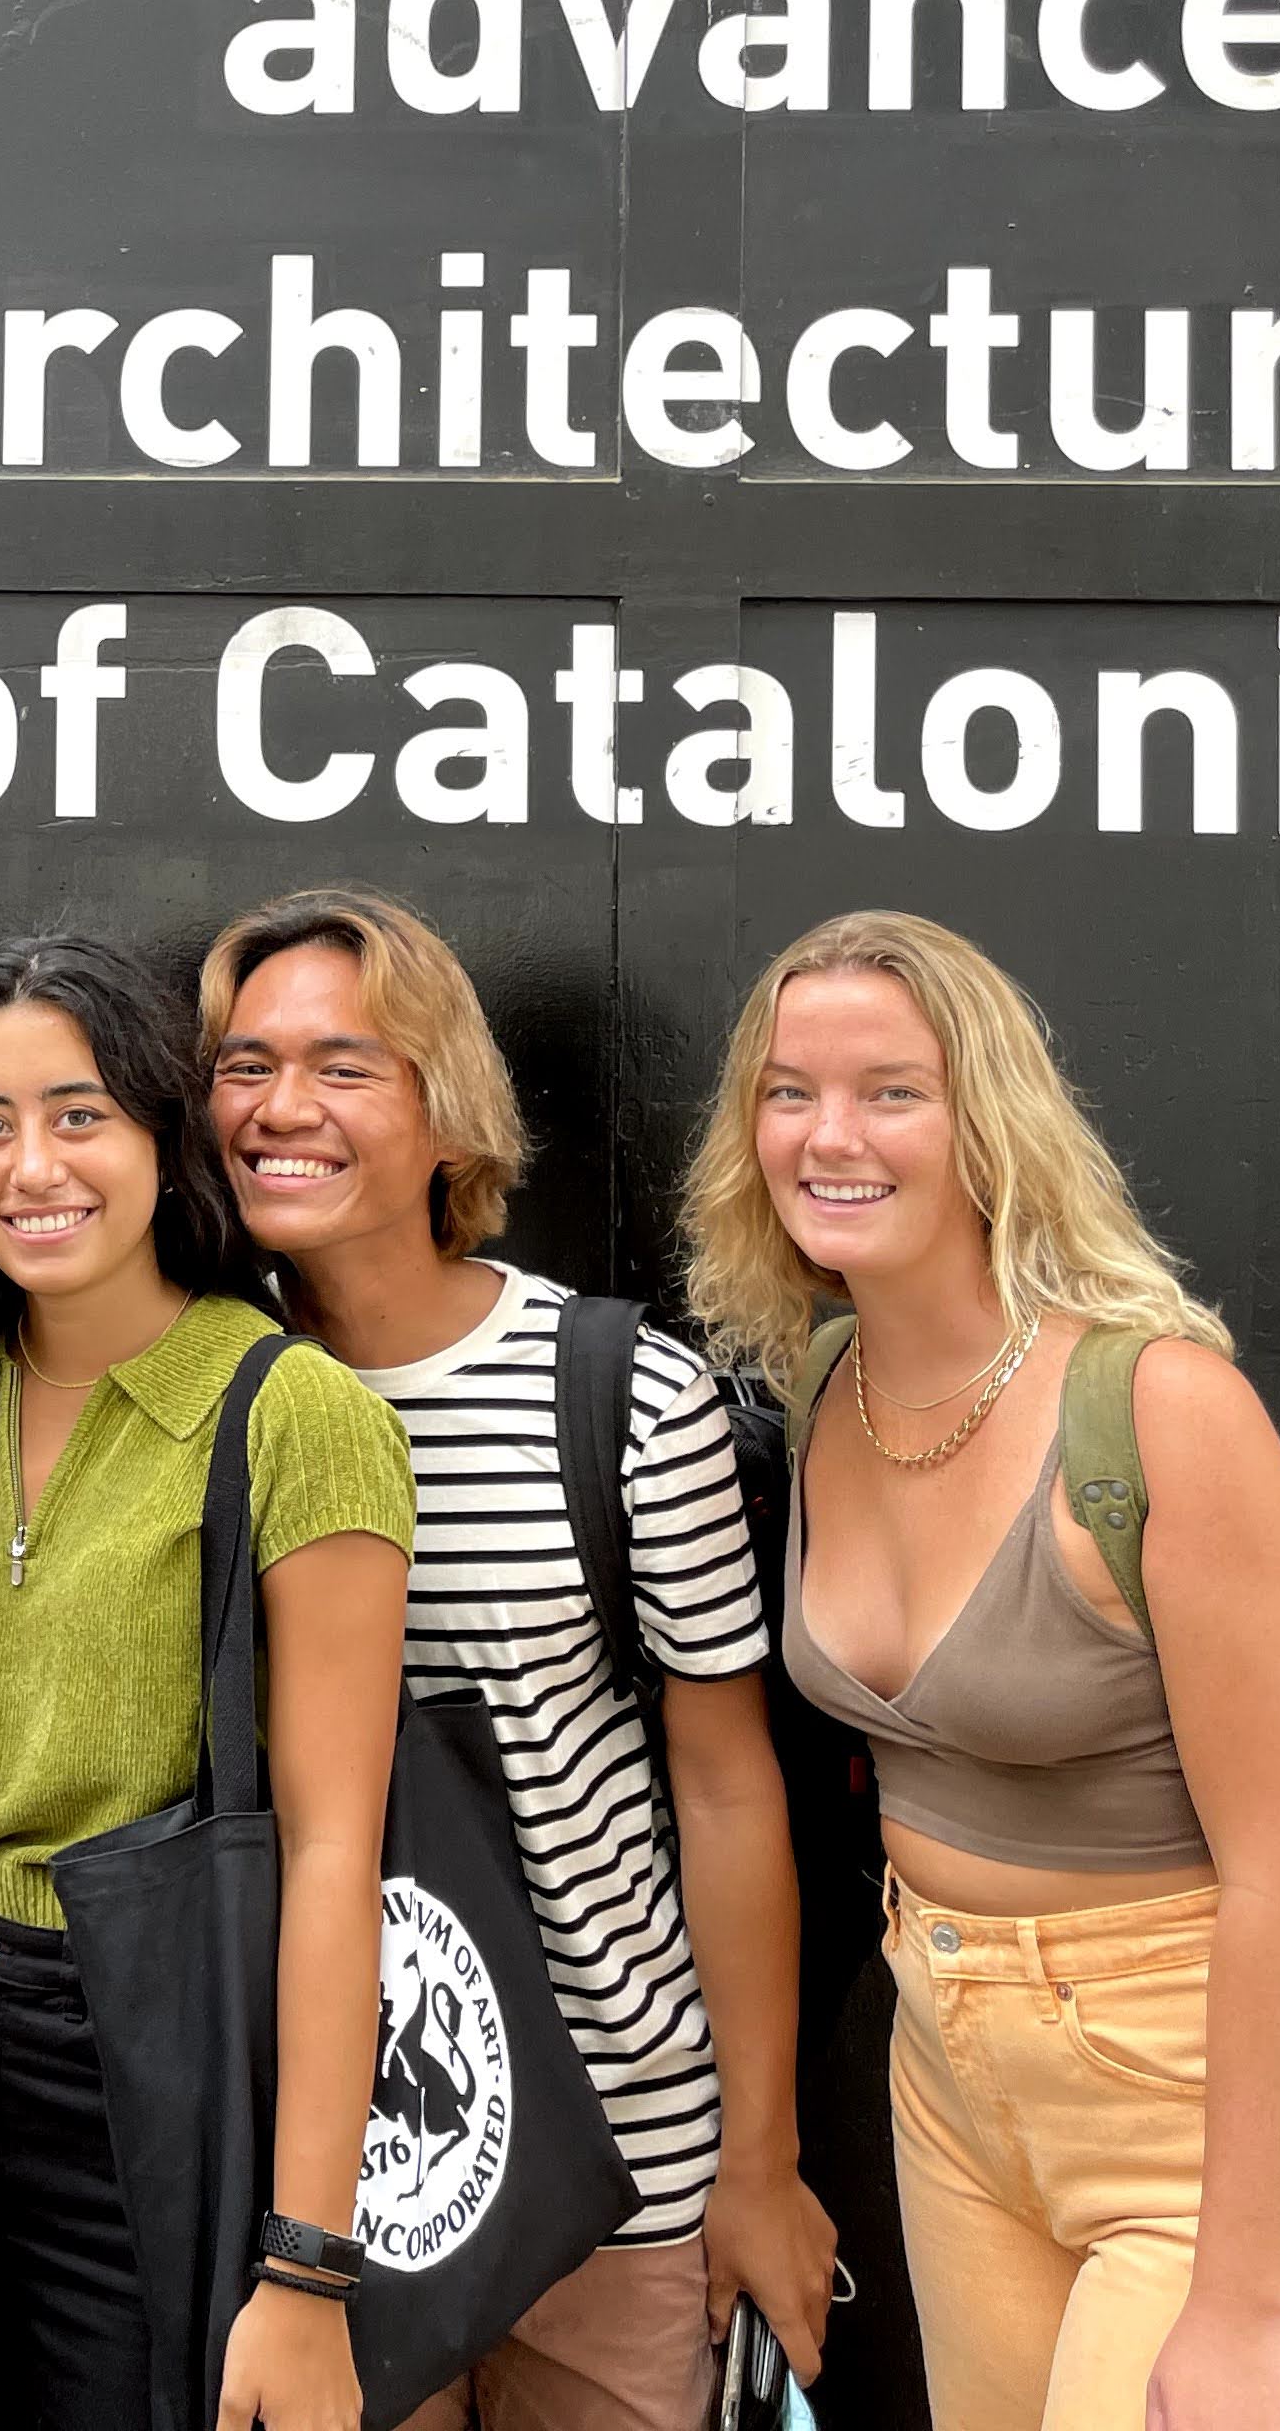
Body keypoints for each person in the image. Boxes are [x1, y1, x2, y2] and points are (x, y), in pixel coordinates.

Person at [680, 912, 1280, 2431]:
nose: (831, 1135)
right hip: (953, 2091)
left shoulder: (1158, 1409)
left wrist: (1239, 2306)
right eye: (787, 1090)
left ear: (987, 1120)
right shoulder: (826, 1386)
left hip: (1203, 2112)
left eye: (893, 1090)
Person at [195, 888, 842, 2431]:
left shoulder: (623, 1394)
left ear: (447, 1115)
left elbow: (728, 1794)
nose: (285, 1108)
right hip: (322, 2205)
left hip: (623, 2183)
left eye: (348, 1066)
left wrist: (758, 2162)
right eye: (243, 1065)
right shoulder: (190, 1389)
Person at [0, 931, 415, 2431]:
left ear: (162, 1140)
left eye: (79, 1113)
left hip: (154, 2069)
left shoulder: (289, 1412)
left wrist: (307, 2268)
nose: (31, 1164)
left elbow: (330, 1856)